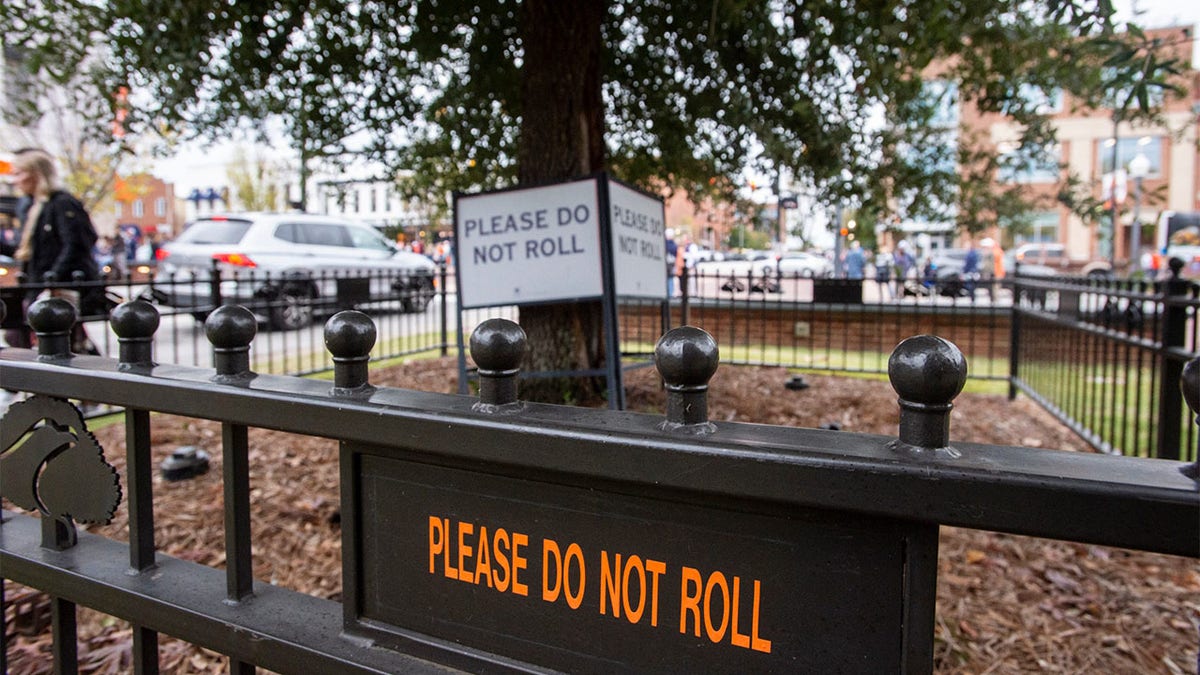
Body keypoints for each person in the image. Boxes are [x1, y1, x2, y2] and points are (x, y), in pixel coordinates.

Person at [6, 149, 101, 352]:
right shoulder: (29, 207)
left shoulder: (62, 203)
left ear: (37, 173)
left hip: (59, 286)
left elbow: (77, 244)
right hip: (36, 284)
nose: (14, 180)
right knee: (20, 336)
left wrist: (52, 279)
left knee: (62, 344)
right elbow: (24, 249)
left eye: (18, 173)